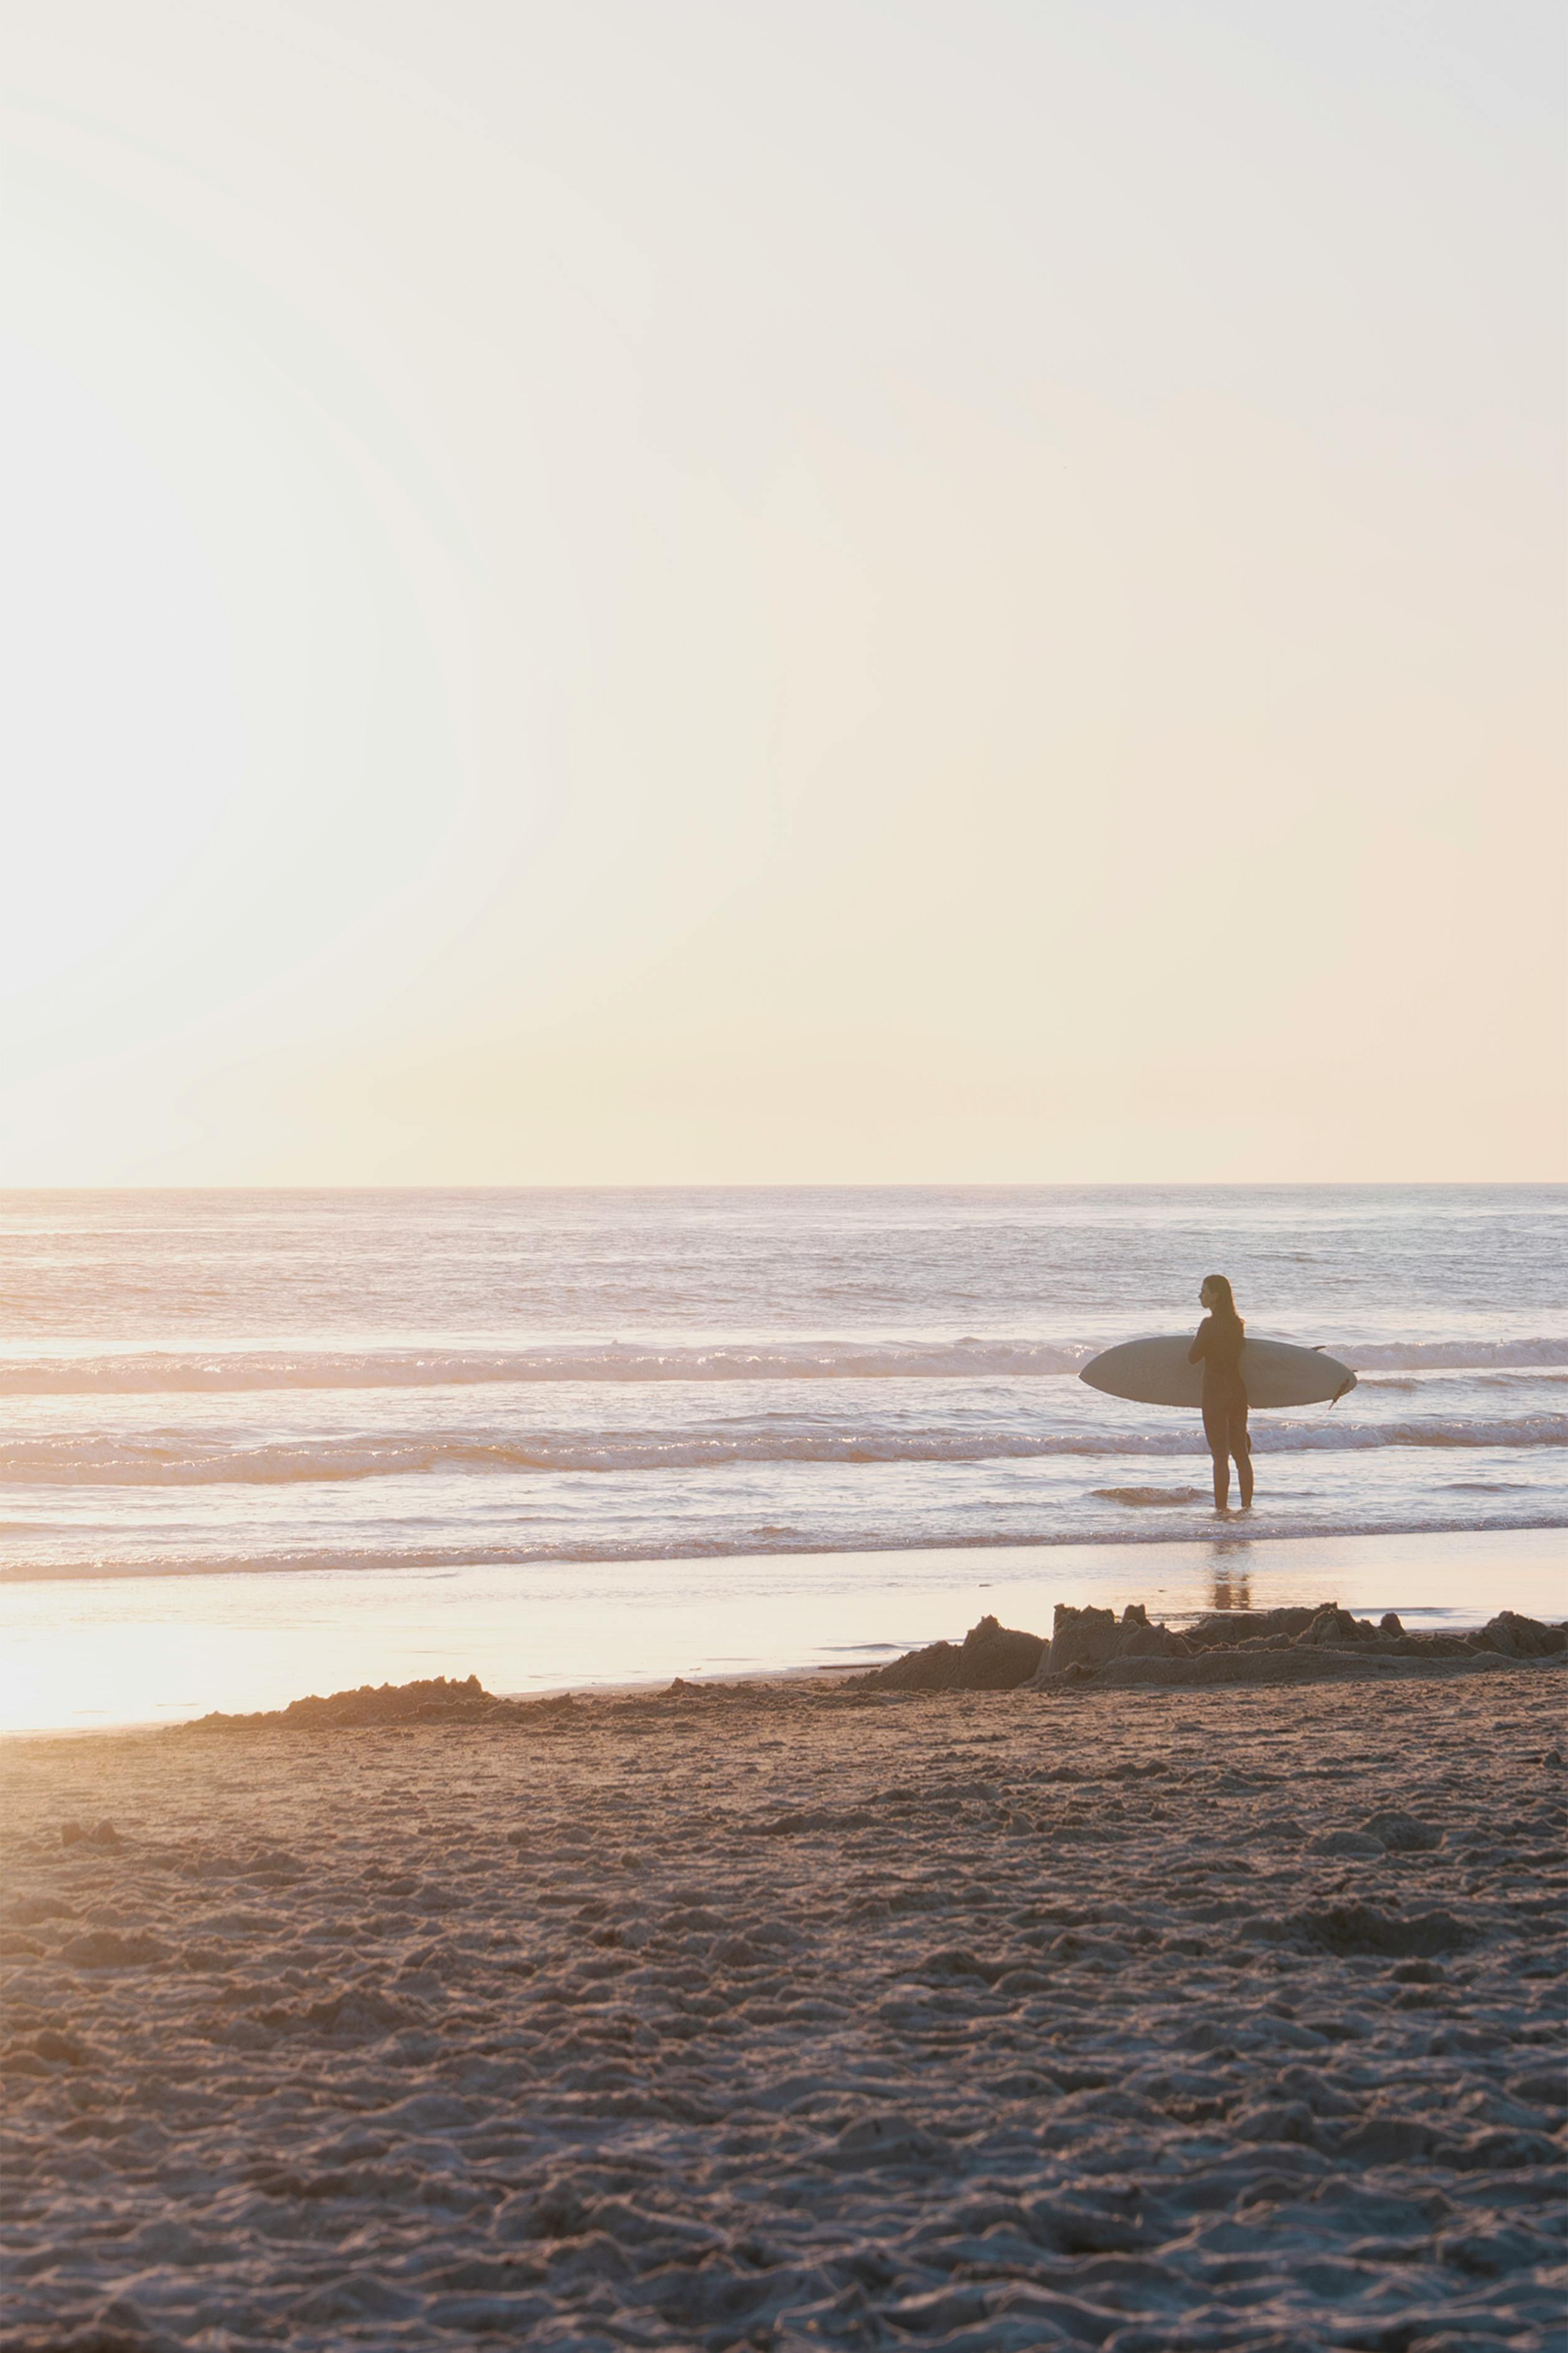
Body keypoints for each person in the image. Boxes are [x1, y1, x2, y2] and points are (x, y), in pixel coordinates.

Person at [1188, 1273, 1253, 1513]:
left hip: (1216, 1393)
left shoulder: (1208, 1325)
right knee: (1241, 1454)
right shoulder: (1238, 1325)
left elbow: (1193, 1357)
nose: (1200, 1296)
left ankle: (1221, 1511)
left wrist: (1198, 1337)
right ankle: (1247, 1508)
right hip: (1237, 1391)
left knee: (1219, 1456)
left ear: (1216, 1296)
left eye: (1204, 1291)